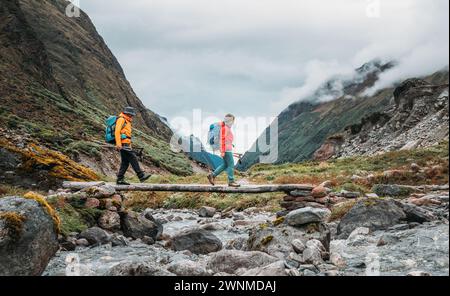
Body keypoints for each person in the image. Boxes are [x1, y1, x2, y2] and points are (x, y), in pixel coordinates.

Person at [115, 106, 151, 185]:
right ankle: (141, 176)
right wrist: (118, 144)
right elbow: (117, 132)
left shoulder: (127, 121)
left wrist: (129, 145)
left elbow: (127, 135)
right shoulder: (121, 119)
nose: (131, 116)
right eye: (130, 114)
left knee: (125, 162)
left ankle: (120, 179)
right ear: (127, 113)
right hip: (123, 144)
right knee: (133, 157)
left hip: (126, 143)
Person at [207, 114, 240, 187]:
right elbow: (222, 140)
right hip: (226, 150)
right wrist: (222, 151)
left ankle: (212, 175)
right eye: (231, 120)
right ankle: (231, 181)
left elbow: (226, 139)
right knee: (231, 164)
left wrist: (230, 144)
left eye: (232, 121)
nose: (232, 122)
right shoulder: (225, 128)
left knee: (225, 165)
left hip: (227, 148)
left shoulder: (226, 128)